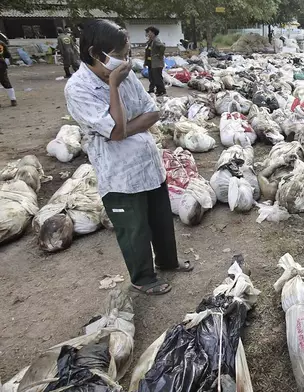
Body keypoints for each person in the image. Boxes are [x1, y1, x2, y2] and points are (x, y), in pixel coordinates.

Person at [64, 20, 193, 295]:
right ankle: (143, 277)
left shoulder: (126, 74)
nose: (125, 60)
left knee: (160, 218)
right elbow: (114, 129)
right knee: (133, 229)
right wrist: (113, 89)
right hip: (119, 172)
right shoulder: (78, 88)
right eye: (120, 54)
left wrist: (121, 130)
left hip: (147, 160)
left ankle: (168, 262)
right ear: (96, 54)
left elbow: (152, 112)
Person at [144, 26, 166, 95]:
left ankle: (161, 90)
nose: (148, 34)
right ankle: (151, 90)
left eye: (149, 32)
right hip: (151, 63)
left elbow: (162, 47)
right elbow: (147, 52)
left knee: (157, 78)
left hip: (156, 63)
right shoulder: (150, 41)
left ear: (153, 33)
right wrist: (145, 62)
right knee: (152, 78)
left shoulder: (156, 40)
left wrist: (159, 55)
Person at [0, 33, 16, 107]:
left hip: (1, 68)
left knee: (6, 83)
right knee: (6, 83)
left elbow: (7, 55)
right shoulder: (2, 44)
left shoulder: (1, 44)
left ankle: (13, 99)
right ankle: (13, 100)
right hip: (2, 67)